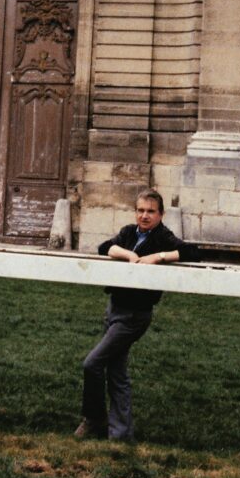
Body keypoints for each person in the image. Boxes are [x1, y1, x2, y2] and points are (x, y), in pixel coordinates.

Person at [75, 189, 200, 443]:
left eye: (151, 211)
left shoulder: (163, 237)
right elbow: (105, 247)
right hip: (114, 308)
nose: (144, 216)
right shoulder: (129, 233)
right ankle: (120, 433)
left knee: (92, 364)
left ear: (161, 214)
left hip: (135, 316)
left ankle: (94, 419)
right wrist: (129, 254)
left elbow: (193, 252)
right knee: (117, 372)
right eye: (141, 210)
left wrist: (158, 257)